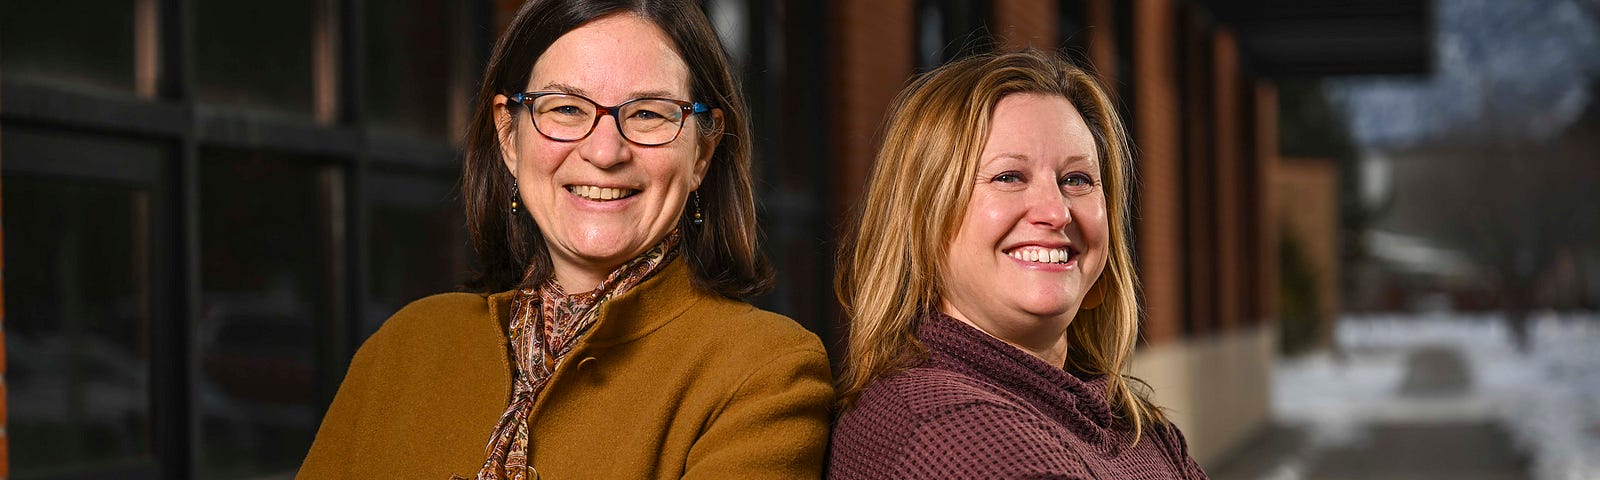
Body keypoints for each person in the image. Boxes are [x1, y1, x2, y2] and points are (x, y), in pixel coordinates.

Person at [297, 0, 832, 478]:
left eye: (647, 113)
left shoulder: (764, 372)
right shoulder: (405, 349)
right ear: (509, 135)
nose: (604, 152)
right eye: (566, 109)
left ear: (702, 152)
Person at [827, 49, 1208, 479]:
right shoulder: (951, 431)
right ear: (922, 218)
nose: (1057, 211)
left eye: (1076, 180)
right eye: (1009, 177)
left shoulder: (1130, 425)